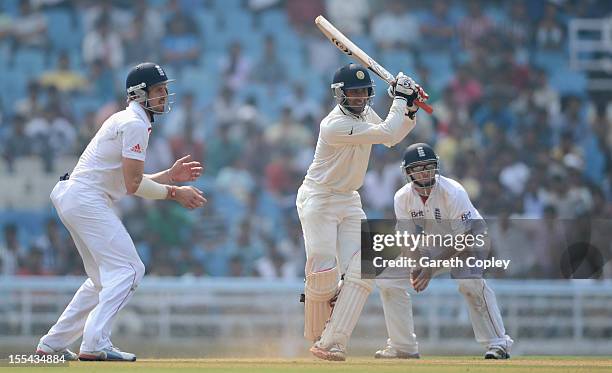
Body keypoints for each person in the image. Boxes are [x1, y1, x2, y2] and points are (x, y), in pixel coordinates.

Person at [35, 62, 206, 362]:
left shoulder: (129, 119)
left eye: (165, 89)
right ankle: (94, 343)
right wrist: (176, 193)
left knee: (103, 280)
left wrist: (169, 175)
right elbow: (133, 184)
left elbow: (128, 180)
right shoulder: (135, 123)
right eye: (157, 90)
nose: (164, 95)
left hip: (77, 197)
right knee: (130, 270)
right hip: (87, 199)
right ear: (139, 94)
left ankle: (52, 343)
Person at [297, 62, 428, 361]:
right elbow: (385, 132)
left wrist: (409, 107)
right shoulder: (333, 125)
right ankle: (318, 323)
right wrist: (399, 98)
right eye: (353, 93)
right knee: (324, 274)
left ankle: (333, 342)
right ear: (339, 95)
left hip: (348, 198)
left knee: (366, 266)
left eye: (363, 93)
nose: (359, 99)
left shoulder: (366, 113)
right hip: (319, 198)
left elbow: (394, 135)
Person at [375, 143, 513, 359]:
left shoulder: (453, 191)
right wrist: (415, 265)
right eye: (418, 168)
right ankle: (404, 346)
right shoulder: (402, 197)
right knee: (388, 280)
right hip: (433, 241)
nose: (424, 172)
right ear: (408, 172)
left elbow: (465, 239)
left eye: (428, 166)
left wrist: (430, 268)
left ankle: (499, 344)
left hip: (471, 239)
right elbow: (406, 237)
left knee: (469, 282)